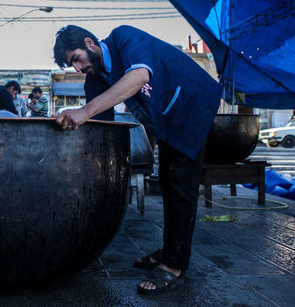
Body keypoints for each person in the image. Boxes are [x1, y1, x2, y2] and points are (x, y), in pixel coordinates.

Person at [53, 24, 221, 295]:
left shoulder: (124, 37)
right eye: (72, 64)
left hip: (192, 101)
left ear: (90, 43)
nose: (77, 68)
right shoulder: (95, 79)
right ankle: (170, 250)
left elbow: (140, 75)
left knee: (180, 184)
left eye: (76, 59)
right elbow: (96, 125)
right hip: (166, 118)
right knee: (166, 181)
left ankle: (174, 265)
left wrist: (83, 111)